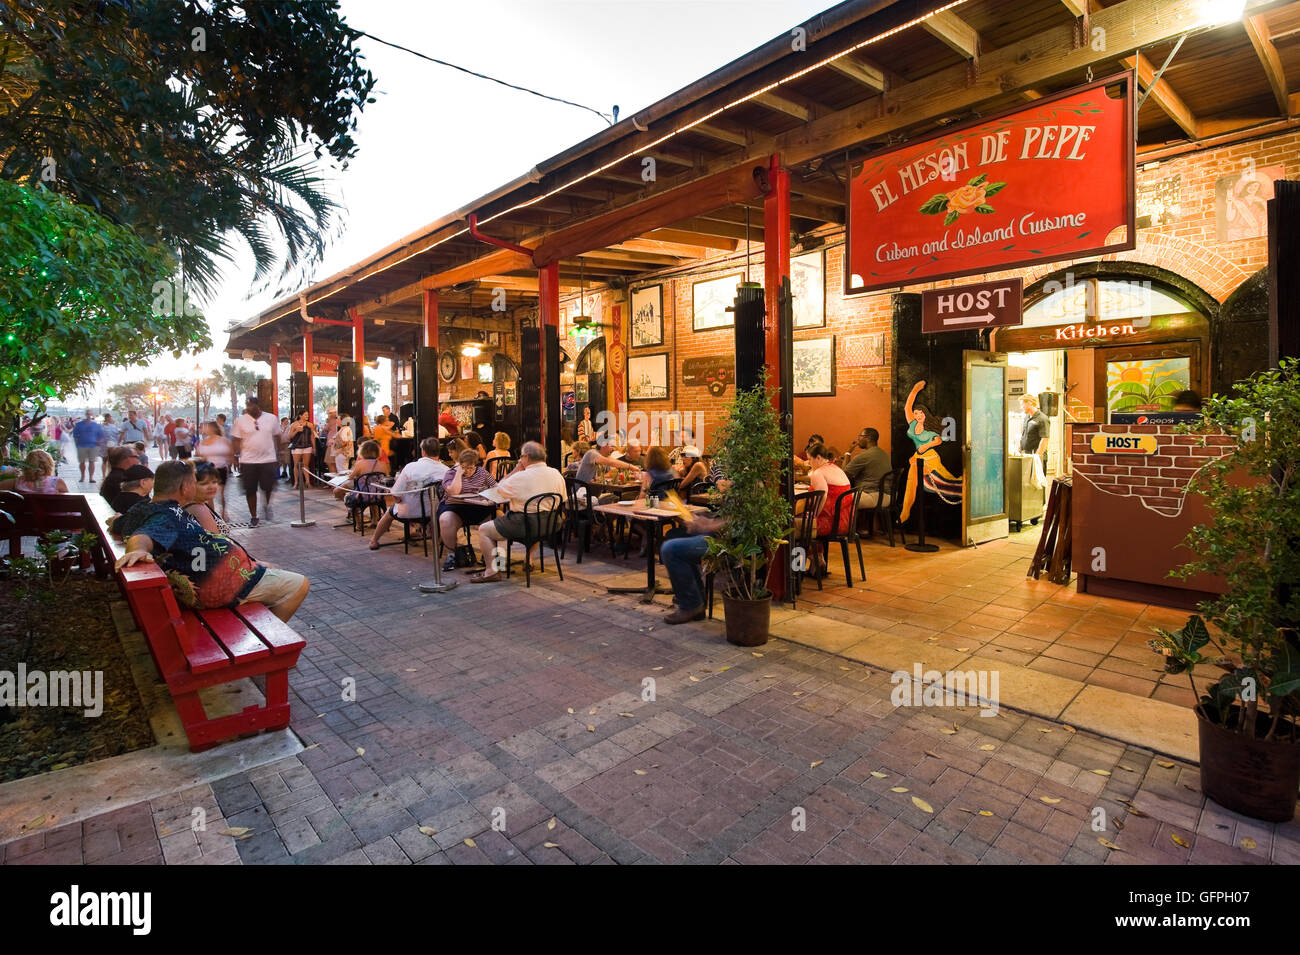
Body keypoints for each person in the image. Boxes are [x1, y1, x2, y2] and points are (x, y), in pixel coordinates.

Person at [114, 461, 309, 622]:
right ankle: (272, 641)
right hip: (221, 586)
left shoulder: (147, 507)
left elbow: (119, 523)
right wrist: (137, 549)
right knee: (299, 584)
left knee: (274, 576)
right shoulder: (167, 515)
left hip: (226, 576)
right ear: (185, 487)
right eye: (194, 481)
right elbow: (145, 534)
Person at [469, 441, 566, 584]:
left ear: (526, 457)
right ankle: (526, 559)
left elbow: (499, 490)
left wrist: (515, 470)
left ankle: (491, 571)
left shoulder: (521, 477)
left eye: (521, 457)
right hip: (551, 523)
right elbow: (562, 499)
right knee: (528, 523)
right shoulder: (556, 473)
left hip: (524, 524)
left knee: (484, 530)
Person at [367, 436, 449, 550]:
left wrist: (398, 500)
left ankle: (374, 540)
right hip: (435, 511)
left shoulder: (411, 467)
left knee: (389, 512)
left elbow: (396, 493)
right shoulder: (445, 470)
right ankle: (424, 532)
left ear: (423, 451)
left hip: (410, 510)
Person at [900, 380, 962, 523]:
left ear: (925, 414)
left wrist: (926, 446)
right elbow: (906, 407)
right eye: (916, 413)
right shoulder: (913, 424)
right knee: (912, 481)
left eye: (920, 413)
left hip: (931, 459)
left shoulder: (930, 429)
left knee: (949, 481)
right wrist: (915, 390)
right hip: (917, 459)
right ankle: (905, 511)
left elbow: (937, 441)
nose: (918, 415)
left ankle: (905, 512)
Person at [437, 448, 499, 570]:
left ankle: (489, 556)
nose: (468, 471)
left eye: (471, 468)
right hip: (455, 507)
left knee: (498, 516)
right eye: (464, 467)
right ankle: (451, 555)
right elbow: (454, 491)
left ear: (475, 465)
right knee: (445, 519)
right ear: (459, 465)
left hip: (477, 506)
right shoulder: (451, 473)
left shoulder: (482, 472)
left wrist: (487, 496)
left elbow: (496, 487)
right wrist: (459, 474)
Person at [659, 512, 726, 624]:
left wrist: (708, 525)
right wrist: (702, 520)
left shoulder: (747, 496)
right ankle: (696, 603)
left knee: (670, 549)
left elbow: (737, 523)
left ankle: (691, 605)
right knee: (673, 538)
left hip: (724, 541)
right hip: (713, 534)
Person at [230, 396, 283, 527]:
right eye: (247, 406)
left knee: (268, 486)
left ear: (258, 406)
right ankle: (254, 516)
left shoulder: (271, 418)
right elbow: (236, 440)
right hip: (248, 460)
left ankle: (267, 505)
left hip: (268, 459)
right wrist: (235, 457)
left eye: (251, 406)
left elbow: (278, 436)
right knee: (250, 489)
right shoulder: (240, 421)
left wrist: (279, 454)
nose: (249, 408)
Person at [805, 443, 853, 538]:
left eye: (810, 459)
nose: (808, 463)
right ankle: (817, 552)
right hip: (847, 521)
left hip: (832, 524)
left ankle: (806, 553)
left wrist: (814, 516)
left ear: (818, 458)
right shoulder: (836, 468)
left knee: (796, 525)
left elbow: (822, 496)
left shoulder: (818, 473)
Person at [194, 421, 233, 521]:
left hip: (221, 468)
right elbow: (199, 455)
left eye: (208, 428)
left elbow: (230, 453)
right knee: (209, 495)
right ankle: (213, 515)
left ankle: (224, 511)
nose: (206, 430)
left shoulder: (223, 440)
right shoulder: (203, 442)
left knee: (221, 493)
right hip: (209, 470)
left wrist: (229, 463)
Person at [845, 427, 892, 508]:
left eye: (860, 436)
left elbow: (844, 474)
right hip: (888, 496)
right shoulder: (884, 454)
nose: (858, 439)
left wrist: (848, 452)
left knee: (840, 499)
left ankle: (851, 521)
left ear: (868, 438)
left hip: (872, 495)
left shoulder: (864, 456)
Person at [574, 437, 640, 483]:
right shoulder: (592, 453)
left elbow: (612, 472)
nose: (613, 449)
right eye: (612, 446)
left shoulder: (606, 457)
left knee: (615, 498)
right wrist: (630, 466)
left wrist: (599, 478)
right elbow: (610, 462)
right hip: (582, 493)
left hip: (594, 495)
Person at [0, 450, 68, 494]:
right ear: (49, 465)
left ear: (26, 464)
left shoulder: (17, 482)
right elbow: (68, 502)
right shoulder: (57, 482)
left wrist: (5, 473)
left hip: (24, 516)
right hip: (53, 516)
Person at [186, 461, 226, 533]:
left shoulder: (200, 503)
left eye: (214, 482)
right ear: (191, 485)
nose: (211, 487)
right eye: (204, 484)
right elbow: (216, 541)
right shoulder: (199, 509)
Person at [1019, 395, 1049, 474]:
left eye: (1022, 404)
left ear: (1029, 403)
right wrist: (1020, 448)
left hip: (1036, 457)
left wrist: (1037, 457)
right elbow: (1023, 434)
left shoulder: (1042, 419)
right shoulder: (1027, 417)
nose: (1021, 407)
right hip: (1027, 455)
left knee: (1038, 484)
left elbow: (1044, 439)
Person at [287, 411, 317, 490]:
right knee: (296, 465)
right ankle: (296, 483)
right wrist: (297, 430)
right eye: (305, 415)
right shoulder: (294, 424)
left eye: (307, 414)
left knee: (306, 465)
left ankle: (308, 482)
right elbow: (290, 436)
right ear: (300, 415)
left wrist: (314, 447)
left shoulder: (310, 425)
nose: (307, 416)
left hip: (307, 446)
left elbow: (312, 436)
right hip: (297, 446)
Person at [72, 409, 104, 482]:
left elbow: (101, 435)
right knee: (82, 462)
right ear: (85, 414)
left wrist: (99, 442)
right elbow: (75, 435)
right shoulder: (79, 424)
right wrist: (77, 445)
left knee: (92, 461)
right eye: (87, 414)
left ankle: (91, 477)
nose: (89, 415)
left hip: (93, 446)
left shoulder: (96, 425)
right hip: (82, 445)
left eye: (90, 414)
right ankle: (82, 477)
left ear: (92, 415)